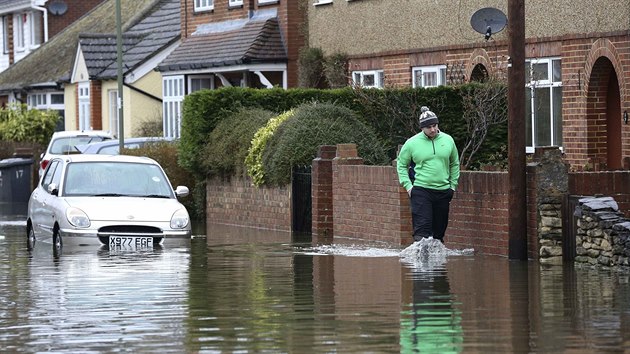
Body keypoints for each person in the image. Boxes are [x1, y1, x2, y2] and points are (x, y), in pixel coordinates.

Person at [397, 106, 460, 243]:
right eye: (428, 127)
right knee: (422, 232)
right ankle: (421, 263)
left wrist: (452, 186)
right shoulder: (412, 143)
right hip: (421, 190)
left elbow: (455, 163)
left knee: (439, 233)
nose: (432, 130)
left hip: (443, 191)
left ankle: (437, 264)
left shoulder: (448, 140)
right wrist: (408, 186)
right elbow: (401, 165)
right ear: (422, 128)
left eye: (435, 125)